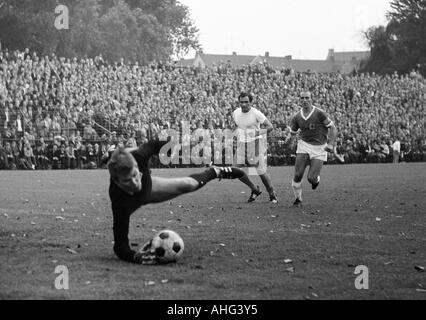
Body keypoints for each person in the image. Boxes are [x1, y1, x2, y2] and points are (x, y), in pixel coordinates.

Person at [107, 138, 249, 264]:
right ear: (117, 181)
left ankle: (215, 171)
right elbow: (120, 247)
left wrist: (175, 146)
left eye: (134, 175)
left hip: (149, 186)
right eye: (127, 181)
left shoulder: (138, 156)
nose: (134, 182)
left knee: (190, 185)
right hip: (140, 197)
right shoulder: (120, 202)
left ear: (137, 167)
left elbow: (154, 143)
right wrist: (136, 256)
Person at [287, 91, 337, 206]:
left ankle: (316, 180)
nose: (305, 100)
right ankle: (298, 199)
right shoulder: (296, 117)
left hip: (320, 147)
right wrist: (289, 141)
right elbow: (293, 133)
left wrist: (331, 144)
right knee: (298, 174)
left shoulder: (320, 113)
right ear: (299, 100)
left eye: (307, 98)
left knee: (311, 178)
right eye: (302, 98)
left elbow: (332, 128)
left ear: (311, 99)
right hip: (304, 145)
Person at [232, 92, 278, 203]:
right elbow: (238, 125)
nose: (243, 104)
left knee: (261, 172)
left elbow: (270, 126)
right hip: (242, 144)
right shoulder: (236, 112)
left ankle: (272, 193)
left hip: (255, 143)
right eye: (241, 102)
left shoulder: (256, 113)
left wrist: (257, 133)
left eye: (246, 102)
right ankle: (254, 188)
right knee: (234, 170)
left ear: (251, 102)